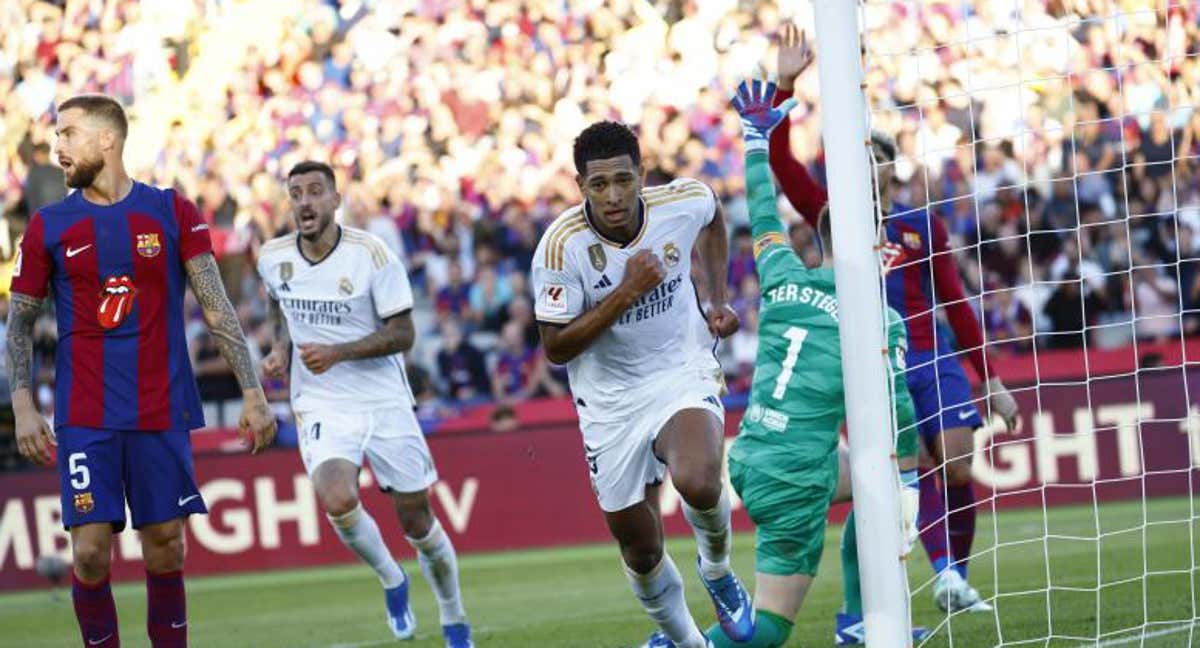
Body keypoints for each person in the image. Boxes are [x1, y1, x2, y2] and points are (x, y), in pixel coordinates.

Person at [6, 93, 276, 648]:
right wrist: (24, 402)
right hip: (85, 413)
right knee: (88, 552)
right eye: (57, 135)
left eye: (68, 134)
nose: (58, 147)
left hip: (160, 407)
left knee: (166, 545)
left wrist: (253, 391)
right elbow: (21, 321)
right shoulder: (47, 227)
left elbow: (217, 305)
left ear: (108, 139)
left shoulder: (171, 210)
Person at [770, 24, 1020, 613]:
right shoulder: (830, 215)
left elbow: (957, 304)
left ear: (889, 170)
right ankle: (948, 578)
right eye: (856, 159)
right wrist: (785, 86)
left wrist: (992, 380)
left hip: (932, 356)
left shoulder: (919, 226)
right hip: (869, 366)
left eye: (876, 159)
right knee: (910, 466)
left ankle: (953, 571)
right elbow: (779, 159)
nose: (867, 168)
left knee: (956, 461)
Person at [706, 78, 924, 648]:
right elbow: (899, 411)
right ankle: (677, 643)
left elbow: (761, 210)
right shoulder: (877, 321)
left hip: (752, 454)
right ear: (877, 246)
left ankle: (858, 619)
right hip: (796, 476)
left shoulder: (781, 275)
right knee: (768, 632)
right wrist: (911, 484)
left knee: (867, 482)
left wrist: (755, 141)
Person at [530, 120, 750, 648]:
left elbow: (714, 218)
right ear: (580, 185)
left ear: (641, 175)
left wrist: (718, 297)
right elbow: (556, 348)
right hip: (608, 402)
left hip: (680, 369)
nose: (613, 196)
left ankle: (717, 569)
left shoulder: (683, 200)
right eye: (599, 184)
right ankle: (686, 641)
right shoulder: (560, 249)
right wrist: (623, 293)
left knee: (698, 481)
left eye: (624, 180)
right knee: (641, 548)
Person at [256, 161, 472, 648]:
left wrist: (338, 352)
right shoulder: (272, 256)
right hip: (321, 401)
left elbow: (403, 333)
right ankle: (392, 577)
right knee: (336, 496)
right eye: (296, 193)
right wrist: (279, 348)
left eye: (316, 192)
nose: (306, 202)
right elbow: (277, 303)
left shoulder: (373, 255)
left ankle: (453, 615)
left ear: (335, 201)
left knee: (417, 519)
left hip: (383, 398)